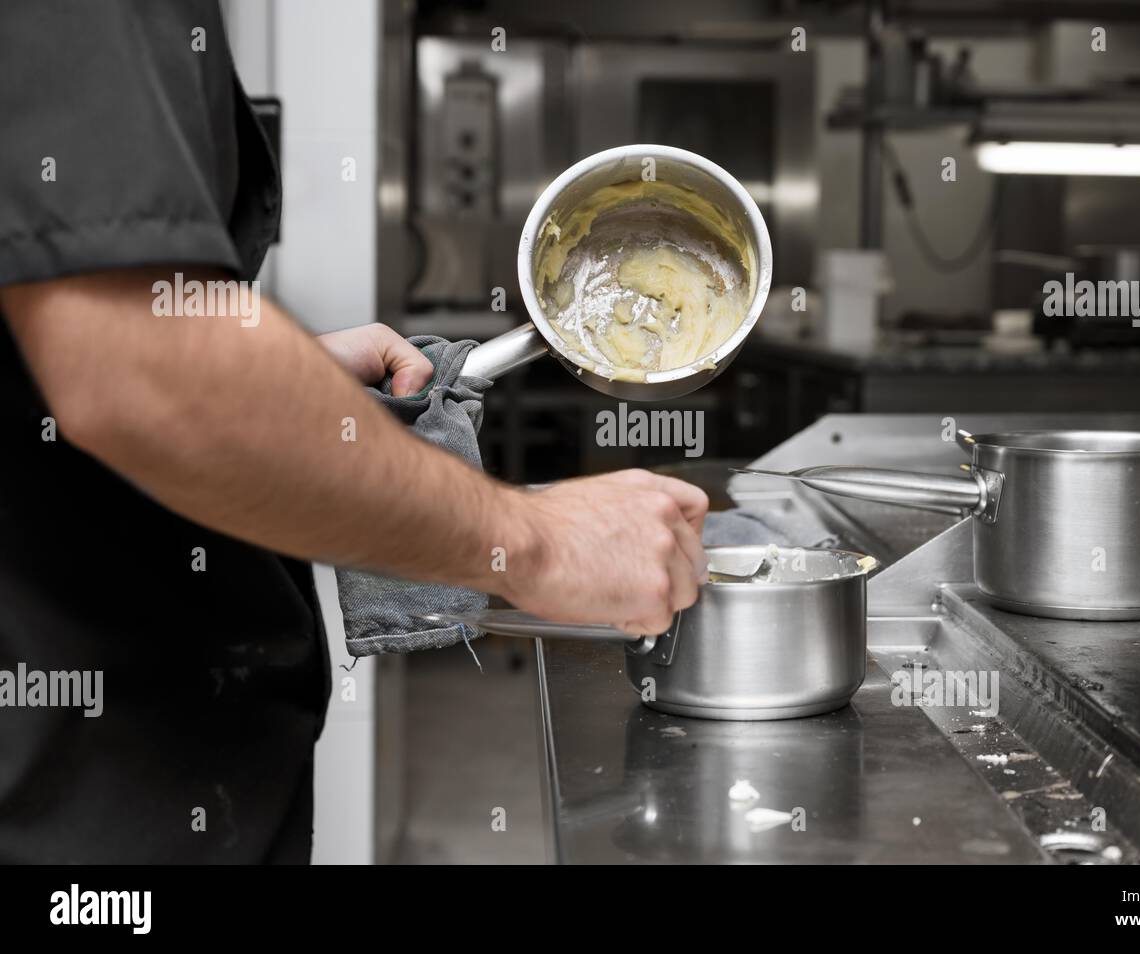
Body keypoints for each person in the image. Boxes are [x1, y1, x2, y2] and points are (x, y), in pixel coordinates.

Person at [0, 0, 707, 863]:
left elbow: (89, 339)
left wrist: (277, 382)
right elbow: (140, 371)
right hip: (80, 791)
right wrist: (539, 540)